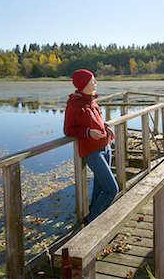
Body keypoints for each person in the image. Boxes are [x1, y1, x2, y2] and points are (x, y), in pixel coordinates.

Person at [64, 68, 119, 224]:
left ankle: (95, 217)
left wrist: (105, 128)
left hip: (105, 147)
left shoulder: (91, 100)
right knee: (112, 189)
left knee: (100, 188)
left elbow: (96, 120)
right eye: (93, 80)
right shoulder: (74, 104)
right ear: (84, 84)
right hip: (92, 152)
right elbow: (68, 130)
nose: (96, 82)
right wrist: (88, 132)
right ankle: (90, 221)